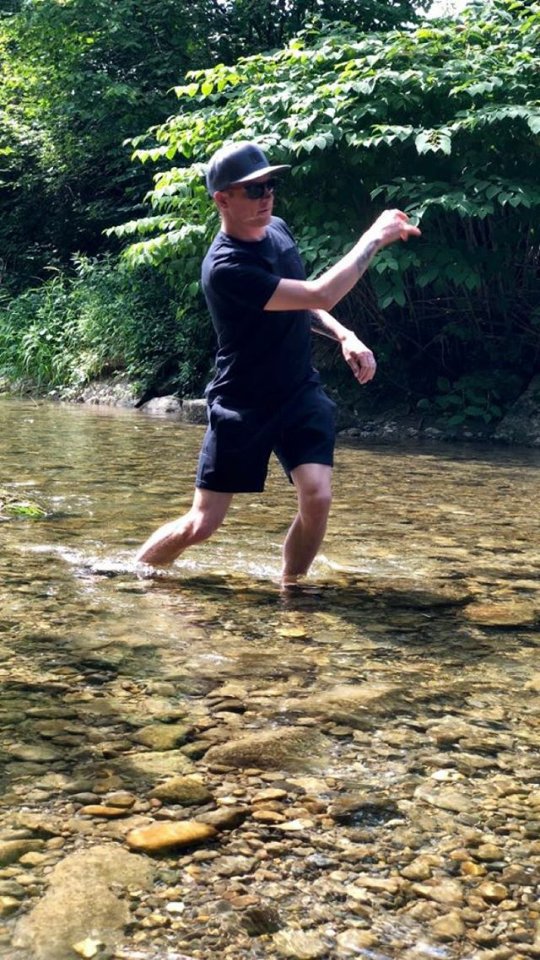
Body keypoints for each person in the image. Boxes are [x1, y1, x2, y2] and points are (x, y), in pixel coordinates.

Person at [136, 140, 420, 584]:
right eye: (253, 189)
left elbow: (303, 302)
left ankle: (292, 588)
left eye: (269, 185)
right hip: (242, 401)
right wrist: (373, 237)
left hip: (298, 390)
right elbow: (322, 292)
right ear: (222, 199)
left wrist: (344, 335)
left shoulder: (279, 231)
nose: (266, 196)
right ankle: (135, 573)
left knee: (317, 497)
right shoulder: (226, 268)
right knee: (203, 523)